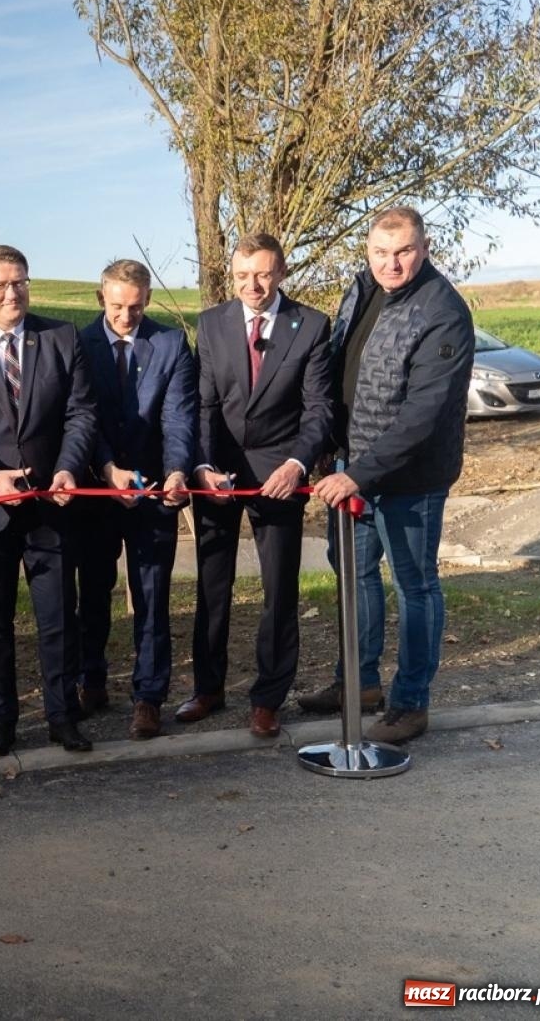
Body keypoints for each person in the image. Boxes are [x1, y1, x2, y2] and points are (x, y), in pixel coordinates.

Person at [307, 206, 475, 744]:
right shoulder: (361, 289)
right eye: (381, 252)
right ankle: (358, 683)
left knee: (415, 586)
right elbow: (340, 369)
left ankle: (410, 703)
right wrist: (332, 454)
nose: (391, 263)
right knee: (353, 576)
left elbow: (423, 415)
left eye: (403, 251)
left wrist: (359, 474)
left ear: (423, 248)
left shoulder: (443, 311)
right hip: (351, 467)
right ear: (368, 251)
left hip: (409, 480)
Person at [0, 244, 99, 755]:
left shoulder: (61, 337)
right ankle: (0, 721)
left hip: (54, 504)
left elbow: (82, 413)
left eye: (21, 281)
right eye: (1, 284)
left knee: (57, 617)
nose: (13, 293)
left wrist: (69, 467)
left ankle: (61, 716)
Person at [179, 234, 331, 737]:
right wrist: (201, 466)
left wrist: (297, 464)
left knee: (278, 589)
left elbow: (319, 411)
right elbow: (202, 405)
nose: (253, 286)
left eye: (263, 274)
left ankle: (268, 697)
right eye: (243, 276)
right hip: (217, 475)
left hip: (280, 475)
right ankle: (207, 688)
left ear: (281, 272)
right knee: (212, 585)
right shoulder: (212, 324)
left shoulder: (309, 326)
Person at [73, 260, 197, 740]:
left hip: (153, 493)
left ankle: (149, 696)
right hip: (97, 489)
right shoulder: (78, 344)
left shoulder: (168, 344)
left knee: (151, 596)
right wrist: (107, 470)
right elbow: (82, 416)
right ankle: (92, 679)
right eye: (118, 306)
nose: (127, 316)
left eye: (137, 307)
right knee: (93, 592)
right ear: (101, 298)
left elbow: (180, 416)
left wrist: (177, 472)